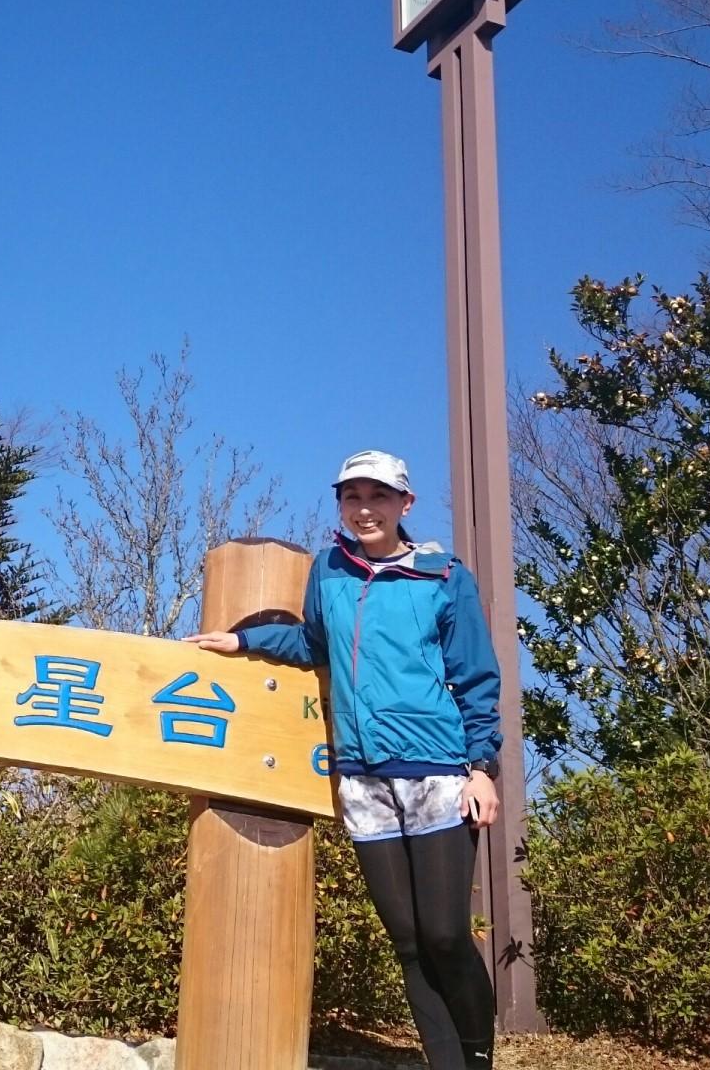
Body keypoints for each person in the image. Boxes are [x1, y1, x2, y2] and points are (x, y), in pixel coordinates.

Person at [185, 450, 502, 1070]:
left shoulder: (443, 576)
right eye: (352, 497)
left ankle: (479, 1060)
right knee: (407, 941)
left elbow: (475, 677)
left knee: (444, 934)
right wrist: (243, 639)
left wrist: (480, 768)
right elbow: (313, 643)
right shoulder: (329, 570)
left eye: (378, 496)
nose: (364, 509)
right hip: (361, 778)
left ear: (405, 503)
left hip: (438, 771)